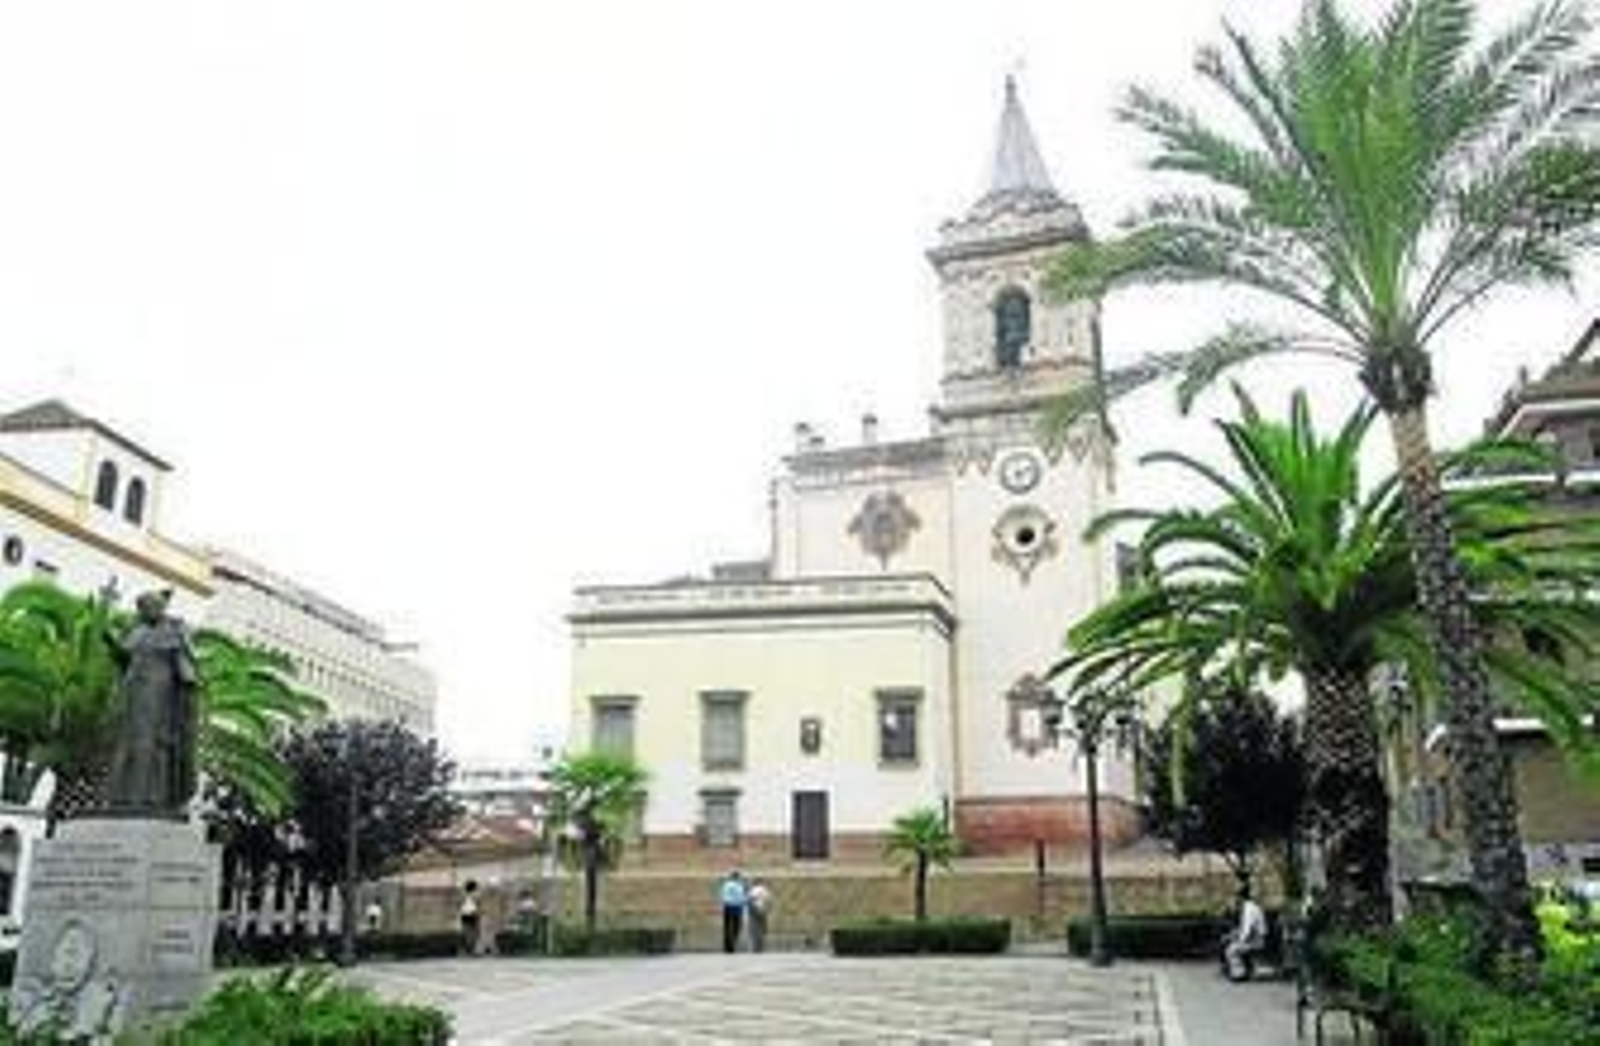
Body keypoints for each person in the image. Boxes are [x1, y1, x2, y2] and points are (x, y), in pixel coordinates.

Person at [103, 589, 199, 817]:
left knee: (154, 745)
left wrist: (188, 687)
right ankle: (120, 797)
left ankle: (150, 798)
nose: (143, 612)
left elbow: (185, 667)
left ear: (157, 607)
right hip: (133, 693)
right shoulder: (138, 632)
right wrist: (109, 640)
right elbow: (124, 655)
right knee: (127, 743)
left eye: (147, 607)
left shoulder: (174, 631)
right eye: (141, 609)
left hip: (160, 697)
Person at [1223, 885, 1268, 981]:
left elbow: (1247, 930)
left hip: (1256, 940)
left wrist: (1237, 939)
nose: (1236, 900)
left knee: (1231, 950)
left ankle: (1239, 974)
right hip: (1256, 938)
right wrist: (1234, 935)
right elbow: (1244, 929)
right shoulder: (1250, 907)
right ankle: (1242, 970)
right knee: (1230, 942)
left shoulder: (1249, 909)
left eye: (1237, 897)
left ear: (1241, 897)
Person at [718, 870, 746, 953]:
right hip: (737, 907)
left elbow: (723, 896)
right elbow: (741, 897)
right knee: (736, 927)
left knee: (727, 927)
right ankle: (732, 944)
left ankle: (727, 946)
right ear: (737, 877)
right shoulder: (739, 885)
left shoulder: (726, 885)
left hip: (728, 906)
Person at [746, 878, 771, 953]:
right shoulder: (765, 890)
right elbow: (769, 900)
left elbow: (749, 900)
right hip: (763, 910)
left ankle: (755, 946)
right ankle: (760, 945)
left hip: (754, 910)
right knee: (761, 928)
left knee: (754, 928)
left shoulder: (752, 890)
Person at [459, 880, 482, 956]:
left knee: (471, 933)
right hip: (469, 915)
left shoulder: (465, 896)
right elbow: (475, 906)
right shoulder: (470, 896)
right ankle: (468, 950)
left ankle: (470, 949)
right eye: (476, 888)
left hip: (468, 915)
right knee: (471, 933)